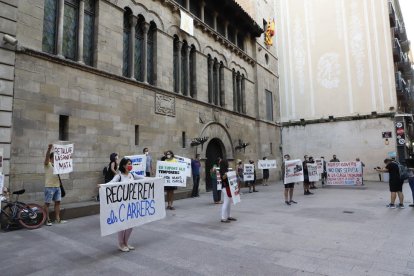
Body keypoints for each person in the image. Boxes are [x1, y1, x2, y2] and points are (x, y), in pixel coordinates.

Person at [109, 157, 144, 252]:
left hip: (131, 203)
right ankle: (120, 244)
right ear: (124, 165)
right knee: (122, 225)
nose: (130, 165)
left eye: (131, 164)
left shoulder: (132, 175)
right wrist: (102, 186)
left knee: (130, 224)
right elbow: (111, 183)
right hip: (121, 204)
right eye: (128, 164)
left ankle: (126, 242)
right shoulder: (119, 176)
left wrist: (157, 179)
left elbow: (144, 179)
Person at [43, 144, 67, 226]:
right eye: (55, 157)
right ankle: (47, 219)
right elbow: (46, 158)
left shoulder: (57, 166)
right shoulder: (47, 164)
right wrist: (49, 149)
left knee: (58, 202)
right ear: (51, 158)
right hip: (49, 187)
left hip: (57, 187)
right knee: (47, 203)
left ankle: (58, 219)